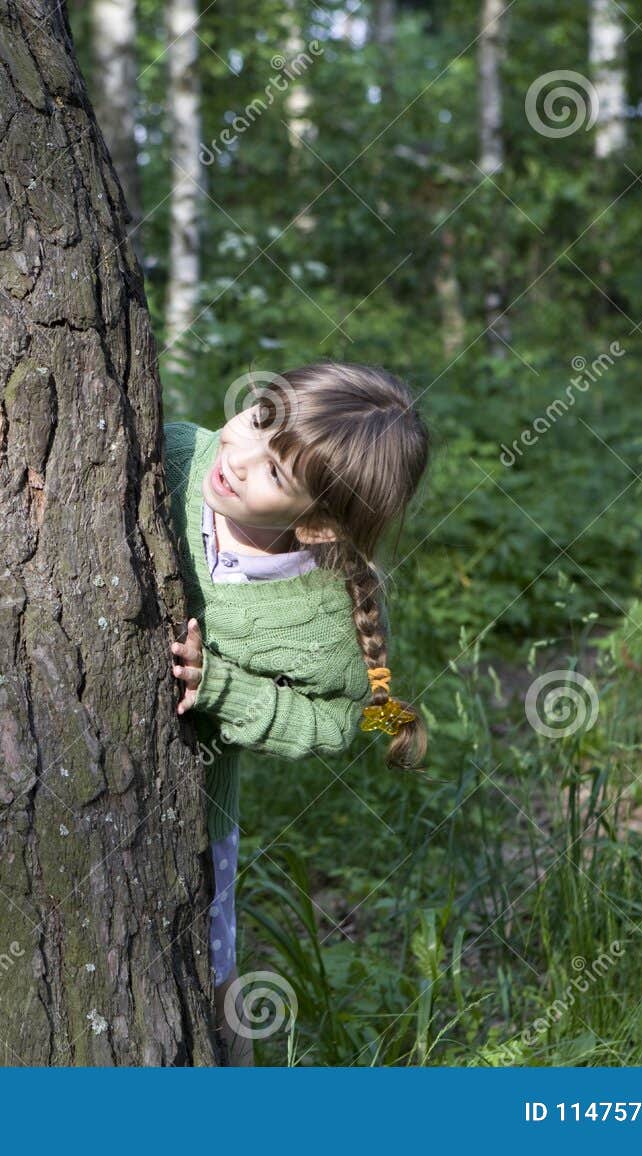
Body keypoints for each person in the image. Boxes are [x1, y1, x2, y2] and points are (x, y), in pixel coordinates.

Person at [163, 362, 430, 1063]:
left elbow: (344, 720)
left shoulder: (319, 615)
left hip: (192, 816)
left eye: (277, 474)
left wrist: (226, 689)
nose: (239, 459)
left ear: (315, 521)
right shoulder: (174, 455)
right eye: (257, 419)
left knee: (207, 980)